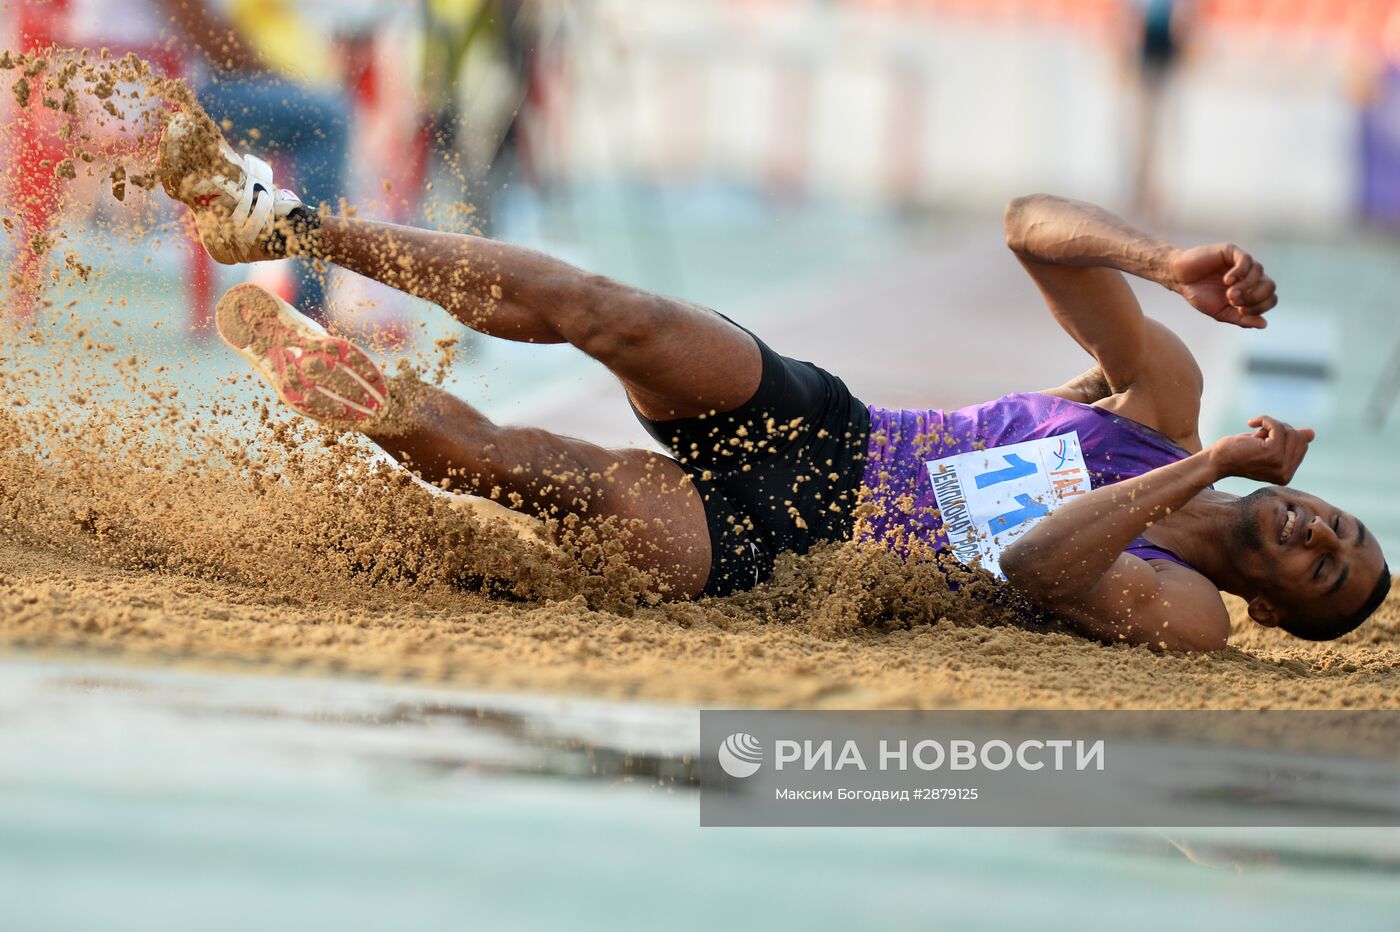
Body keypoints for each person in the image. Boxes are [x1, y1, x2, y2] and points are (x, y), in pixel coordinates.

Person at [157, 113, 1391, 652]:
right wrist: (1158, 260)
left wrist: (1212, 467)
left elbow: (1034, 567)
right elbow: (1023, 224)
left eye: (1320, 568)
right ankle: (285, 225)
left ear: (1280, 607)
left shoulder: (1193, 612)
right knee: (612, 310)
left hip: (789, 550)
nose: (1315, 534)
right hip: (834, 429)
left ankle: (329, 377)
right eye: (1341, 525)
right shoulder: (1157, 401)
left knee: (520, 464)